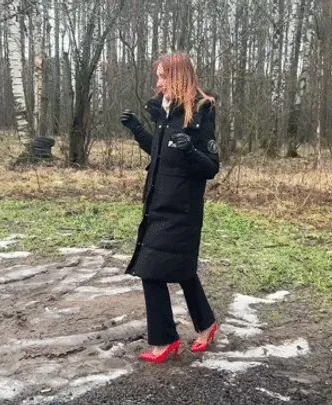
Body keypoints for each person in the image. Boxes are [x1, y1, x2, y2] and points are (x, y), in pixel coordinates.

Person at [119, 52, 220, 364]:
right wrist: (138, 129)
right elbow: (162, 153)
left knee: (152, 269)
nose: (158, 82)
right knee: (181, 270)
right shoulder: (164, 112)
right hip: (159, 204)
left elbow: (210, 167)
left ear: (179, 77)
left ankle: (165, 340)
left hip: (183, 209)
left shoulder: (201, 111)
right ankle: (206, 325)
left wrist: (190, 149)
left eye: (164, 76)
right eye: (158, 76)